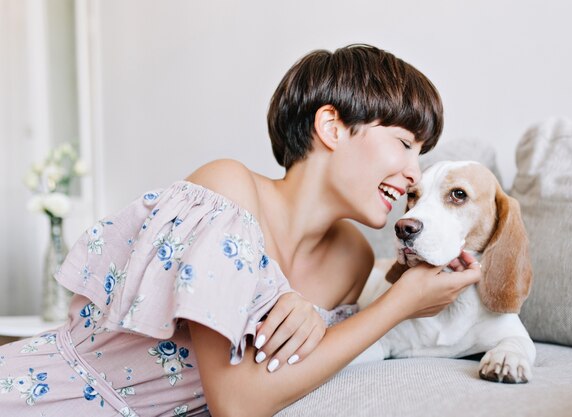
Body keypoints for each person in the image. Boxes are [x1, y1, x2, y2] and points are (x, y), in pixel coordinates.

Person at [0, 44, 481, 417]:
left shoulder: (352, 259)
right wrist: (401, 304)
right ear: (332, 127)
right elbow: (237, 402)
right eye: (403, 143)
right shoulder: (226, 190)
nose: (415, 174)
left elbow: (284, 375)